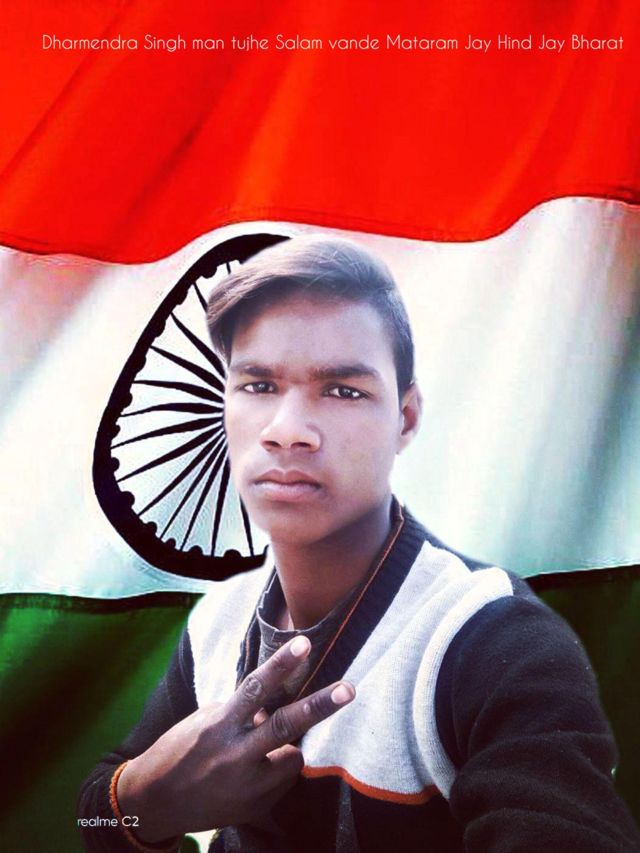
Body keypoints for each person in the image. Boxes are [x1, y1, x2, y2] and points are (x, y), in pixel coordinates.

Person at [78, 236, 640, 853]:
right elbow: (90, 821)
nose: (287, 430)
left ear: (406, 418)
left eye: (343, 390)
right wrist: (140, 805)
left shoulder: (489, 639)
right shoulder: (218, 624)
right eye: (258, 385)